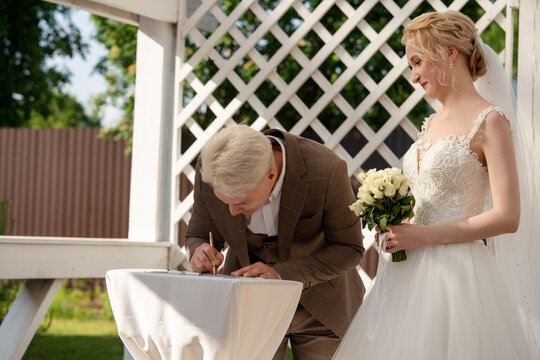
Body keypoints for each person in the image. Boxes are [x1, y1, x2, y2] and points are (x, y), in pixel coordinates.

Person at [333, 10, 536, 359]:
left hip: (458, 280)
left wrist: (423, 235)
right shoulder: (429, 124)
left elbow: (508, 217)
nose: (413, 76)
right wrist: (399, 228)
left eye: (417, 62)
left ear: (448, 52)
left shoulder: (491, 122)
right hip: (405, 276)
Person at [184, 124, 366, 359]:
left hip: (322, 305)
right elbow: (197, 234)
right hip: (248, 308)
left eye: (241, 202)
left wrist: (280, 275)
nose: (231, 212)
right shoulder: (213, 169)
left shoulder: (326, 169)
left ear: (271, 175)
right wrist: (199, 251)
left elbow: (349, 248)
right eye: (225, 201)